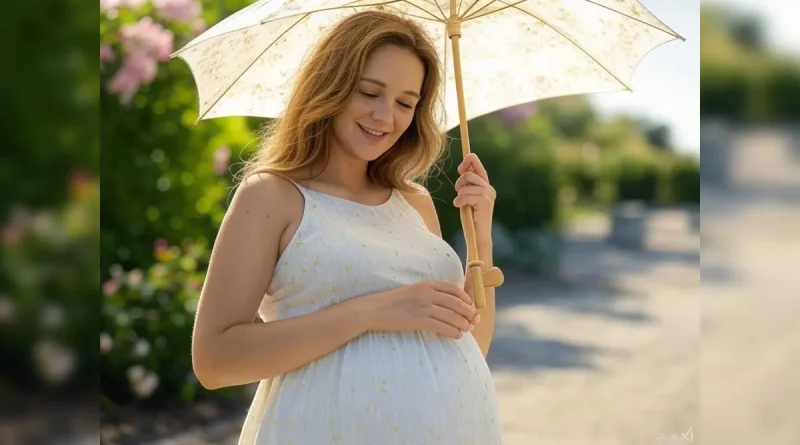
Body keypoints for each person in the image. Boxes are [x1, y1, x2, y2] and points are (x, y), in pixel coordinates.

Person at [191, 9, 502, 445]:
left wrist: (480, 238)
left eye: (405, 103)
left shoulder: (414, 202)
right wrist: (375, 312)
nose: (384, 116)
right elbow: (214, 361)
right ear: (331, 86)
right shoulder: (271, 196)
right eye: (369, 92)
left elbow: (471, 347)